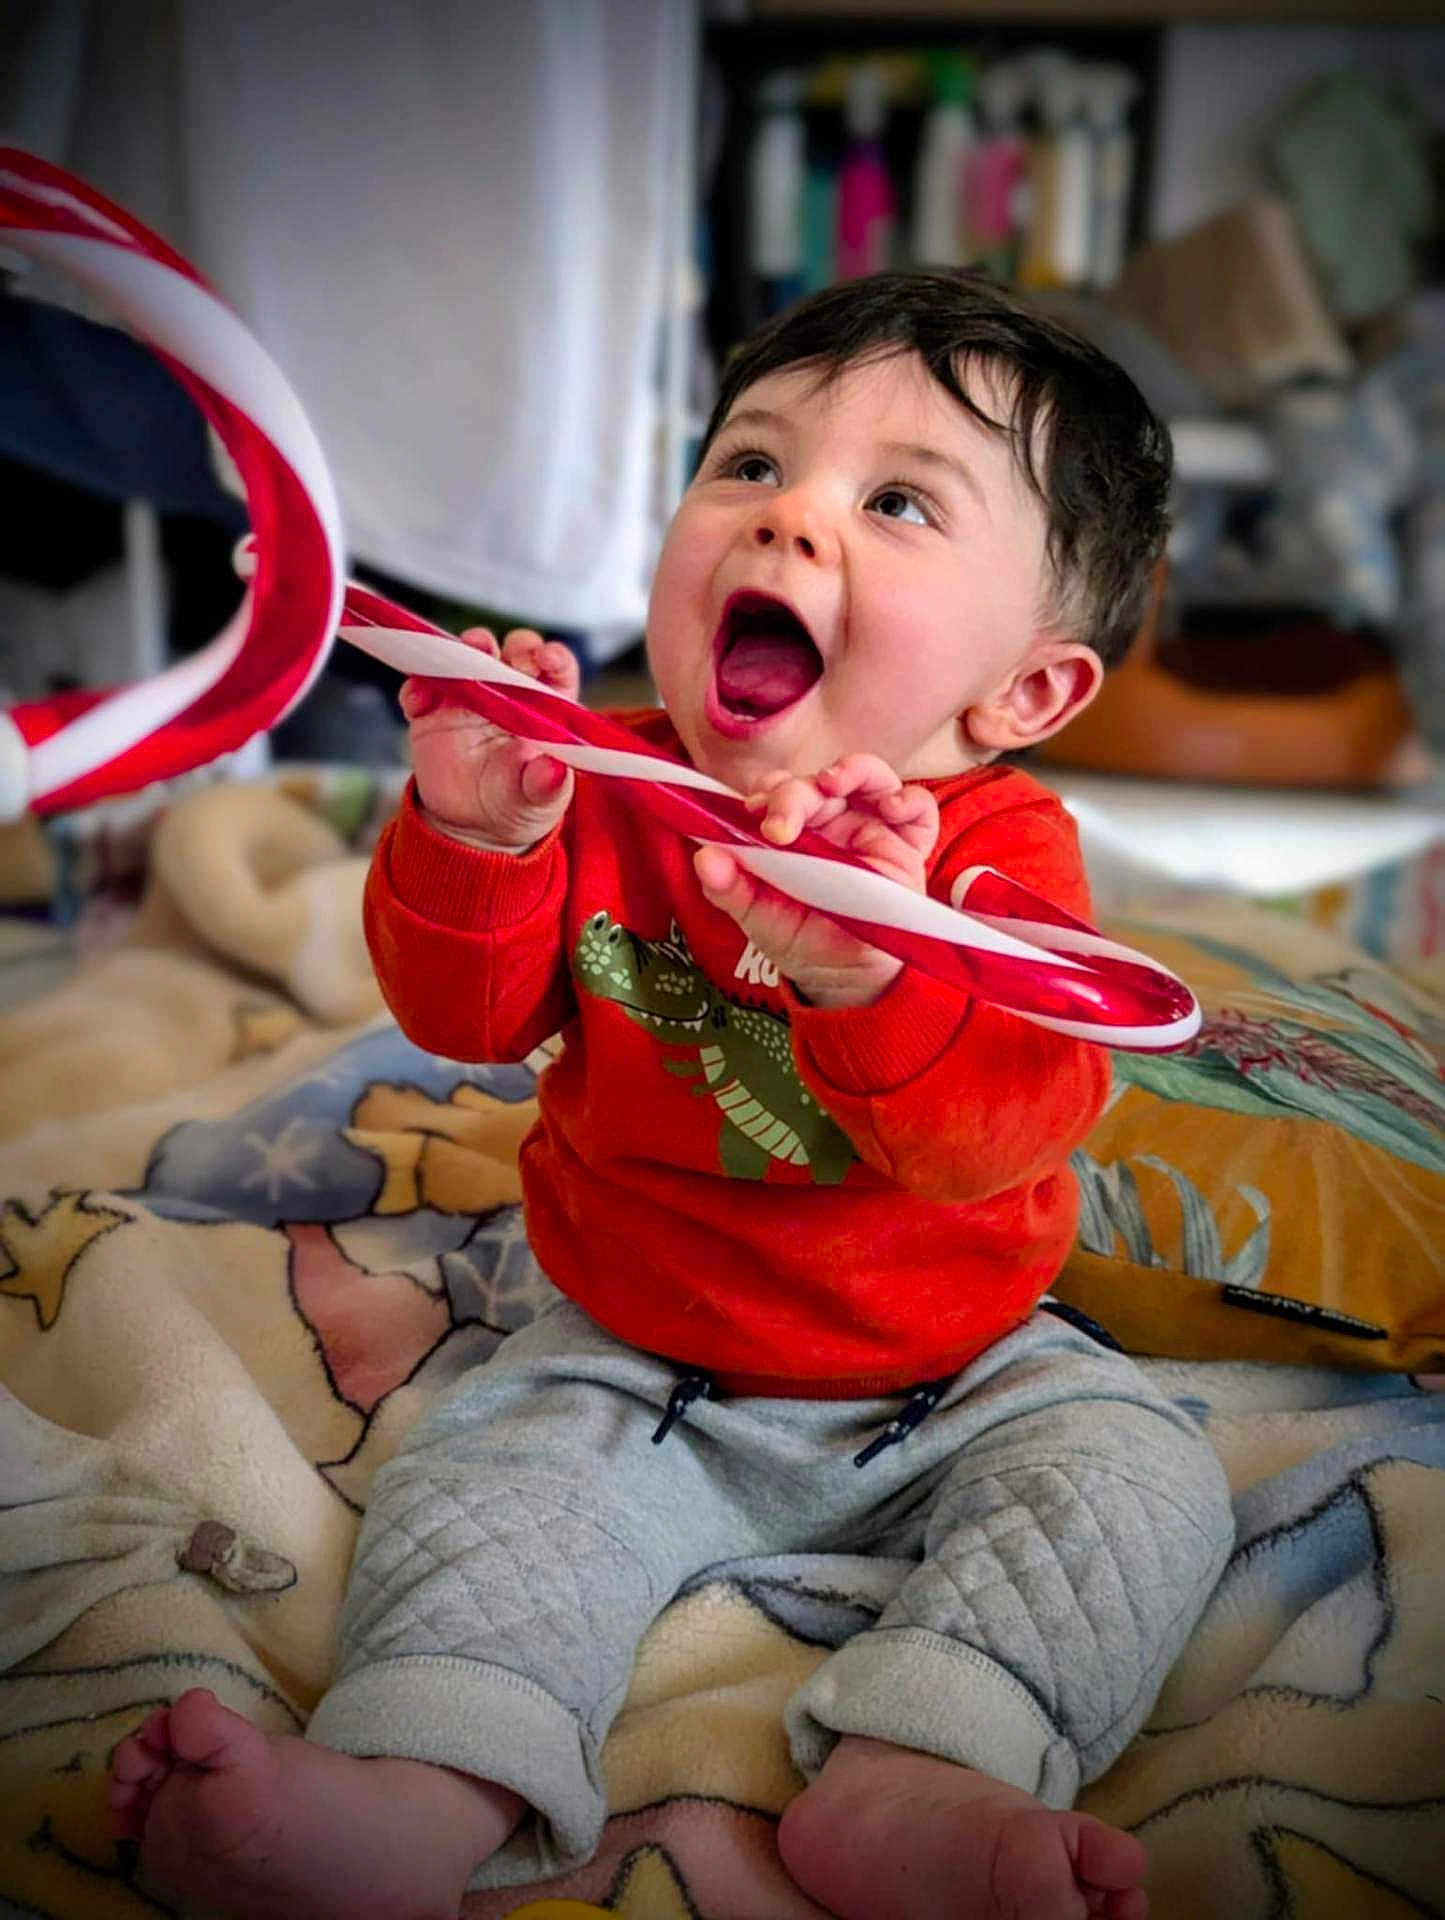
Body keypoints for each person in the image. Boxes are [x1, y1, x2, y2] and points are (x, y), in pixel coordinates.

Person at [108, 270, 1234, 1920]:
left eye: (897, 501)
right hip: (630, 1353)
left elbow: (992, 1135)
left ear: (1023, 693)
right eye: (749, 467)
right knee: (478, 1480)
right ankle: (414, 1790)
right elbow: (469, 1019)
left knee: (1146, 1479)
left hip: (951, 1368)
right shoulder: (594, 778)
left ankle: (930, 1765)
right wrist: (479, 838)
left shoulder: (996, 858)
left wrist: (870, 973)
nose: (783, 528)